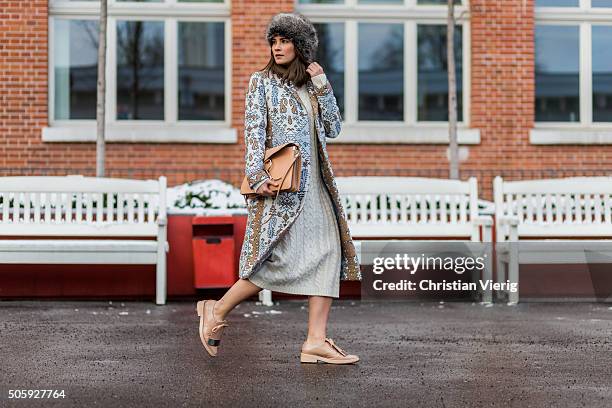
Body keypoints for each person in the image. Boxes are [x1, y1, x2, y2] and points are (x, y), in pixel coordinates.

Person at [196, 12, 361, 364]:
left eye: (286, 41)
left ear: (302, 47)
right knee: (275, 260)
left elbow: (333, 129)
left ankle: (316, 340)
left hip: (316, 189)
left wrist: (324, 87)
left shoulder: (311, 86)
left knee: (329, 254)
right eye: (275, 41)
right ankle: (217, 310)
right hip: (283, 190)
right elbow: (254, 133)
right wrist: (256, 177)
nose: (278, 47)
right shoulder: (262, 82)